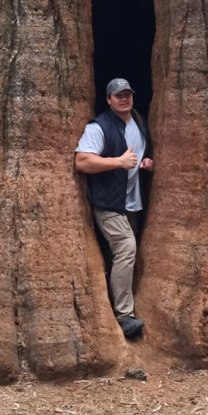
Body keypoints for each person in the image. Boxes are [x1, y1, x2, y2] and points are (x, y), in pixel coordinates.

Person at [74, 78, 154, 339]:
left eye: (128, 94)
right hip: (108, 204)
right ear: (108, 99)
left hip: (131, 203)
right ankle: (124, 315)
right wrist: (118, 162)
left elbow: (141, 153)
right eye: (118, 95)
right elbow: (83, 161)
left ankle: (119, 302)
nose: (124, 99)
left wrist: (146, 163)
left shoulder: (138, 121)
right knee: (126, 248)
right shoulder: (99, 127)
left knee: (123, 253)